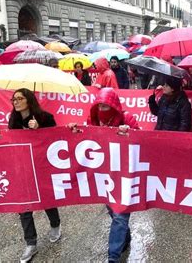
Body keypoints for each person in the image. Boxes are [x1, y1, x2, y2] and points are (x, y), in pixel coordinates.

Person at [69, 87, 139, 263]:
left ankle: (112, 258)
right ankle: (125, 236)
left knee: (120, 214)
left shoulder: (127, 118)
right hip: (104, 176)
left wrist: (130, 133)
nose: (102, 110)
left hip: (124, 175)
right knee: (113, 212)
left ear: (114, 106)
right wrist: (72, 131)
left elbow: (141, 141)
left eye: (106, 106)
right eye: (99, 106)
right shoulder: (92, 120)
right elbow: (84, 138)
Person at [7, 88, 62, 262]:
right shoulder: (13, 120)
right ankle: (30, 243)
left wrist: (39, 129)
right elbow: (10, 141)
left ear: (28, 100)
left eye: (19, 98)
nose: (15, 102)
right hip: (21, 168)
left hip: (41, 167)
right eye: (13, 99)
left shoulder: (45, 117)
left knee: (46, 199)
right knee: (24, 206)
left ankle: (55, 225)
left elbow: (55, 140)